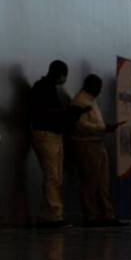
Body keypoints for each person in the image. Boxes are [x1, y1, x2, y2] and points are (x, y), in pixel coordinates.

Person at [29, 60, 84, 229]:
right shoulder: (45, 89)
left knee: (55, 177)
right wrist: (70, 114)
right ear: (60, 74)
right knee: (53, 177)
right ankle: (53, 215)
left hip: (51, 135)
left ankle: (47, 215)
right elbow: (46, 114)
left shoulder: (44, 87)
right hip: (47, 135)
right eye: (64, 75)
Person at [69, 74, 124, 226]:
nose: (100, 91)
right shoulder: (80, 102)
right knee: (90, 182)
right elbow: (81, 126)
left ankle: (106, 215)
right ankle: (91, 215)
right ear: (91, 86)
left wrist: (103, 128)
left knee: (102, 183)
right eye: (98, 87)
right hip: (87, 145)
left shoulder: (90, 100)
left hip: (97, 143)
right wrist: (104, 128)